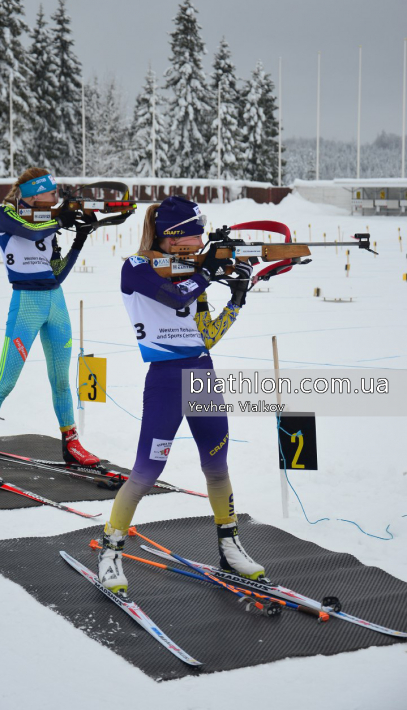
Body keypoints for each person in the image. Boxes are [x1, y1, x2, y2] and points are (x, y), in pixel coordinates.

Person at [98, 195, 266, 595]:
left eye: (200, 240)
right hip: (165, 379)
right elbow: (176, 297)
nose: (198, 246)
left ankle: (229, 543)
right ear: (172, 239)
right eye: (192, 240)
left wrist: (238, 297)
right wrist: (206, 272)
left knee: (217, 464)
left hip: (201, 371)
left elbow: (206, 335)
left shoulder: (194, 271)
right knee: (146, 472)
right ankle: (110, 549)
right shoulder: (137, 267)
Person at [0, 167, 99, 476]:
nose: (55, 197)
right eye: (51, 193)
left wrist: (79, 239)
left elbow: (57, 273)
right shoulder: (5, 214)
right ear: (32, 194)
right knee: (6, 381)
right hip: (26, 304)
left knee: (61, 381)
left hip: (55, 302)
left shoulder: (49, 221)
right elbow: (30, 232)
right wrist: (61, 220)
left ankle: (71, 443)